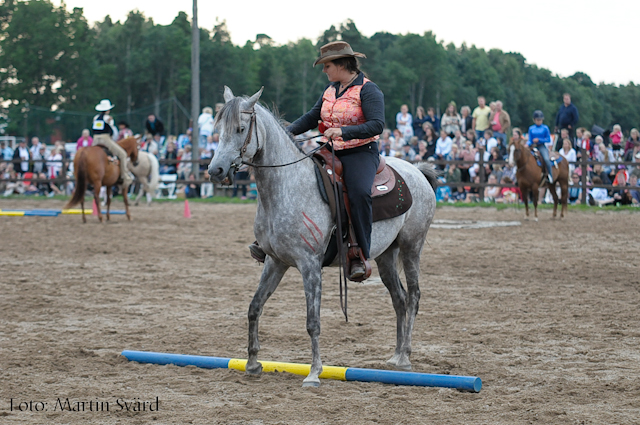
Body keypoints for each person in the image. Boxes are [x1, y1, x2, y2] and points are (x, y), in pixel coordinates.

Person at [252, 41, 384, 281]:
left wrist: (344, 131)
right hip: (330, 151)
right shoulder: (330, 89)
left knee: (358, 192)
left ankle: (359, 253)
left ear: (342, 64)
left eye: (327, 65)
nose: (325, 70)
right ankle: (268, 239)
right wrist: (284, 134)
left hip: (360, 152)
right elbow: (313, 117)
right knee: (295, 181)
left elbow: (377, 124)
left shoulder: (368, 90)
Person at [92, 99, 132, 186]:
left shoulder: (95, 118)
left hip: (95, 140)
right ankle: (124, 176)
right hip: (105, 139)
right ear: (107, 110)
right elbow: (113, 132)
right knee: (123, 154)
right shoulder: (109, 118)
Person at [527, 110, 554, 184]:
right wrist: (527, 144)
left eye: (540, 120)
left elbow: (548, 139)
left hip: (541, 146)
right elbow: (529, 139)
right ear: (534, 120)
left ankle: (550, 175)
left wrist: (539, 140)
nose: (539, 121)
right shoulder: (531, 128)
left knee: (546, 159)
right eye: (537, 120)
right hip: (532, 146)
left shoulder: (545, 128)